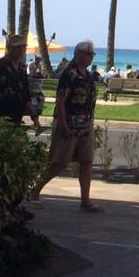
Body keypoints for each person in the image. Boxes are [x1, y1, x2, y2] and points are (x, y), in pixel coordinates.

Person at [31, 39, 101, 212]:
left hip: (85, 124)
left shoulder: (88, 75)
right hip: (68, 123)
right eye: (87, 54)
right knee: (59, 162)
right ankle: (34, 191)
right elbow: (60, 102)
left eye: (92, 54)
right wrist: (63, 125)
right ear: (78, 54)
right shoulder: (69, 74)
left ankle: (85, 200)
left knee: (86, 161)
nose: (90, 57)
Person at [0, 34, 41, 132]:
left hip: (16, 121)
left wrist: (35, 119)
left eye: (23, 47)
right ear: (9, 48)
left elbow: (26, 96)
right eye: (17, 47)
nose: (20, 50)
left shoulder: (22, 69)